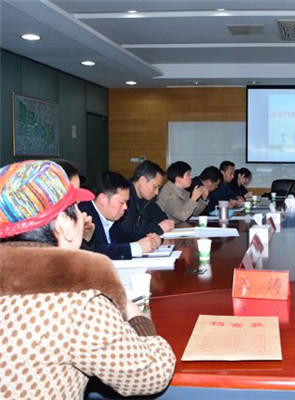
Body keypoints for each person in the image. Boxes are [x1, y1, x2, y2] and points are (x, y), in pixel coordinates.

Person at [0, 160, 175, 399]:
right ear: (64, 224)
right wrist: (136, 315)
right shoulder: (78, 304)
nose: (83, 216)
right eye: (76, 209)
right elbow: (153, 373)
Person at [79, 171, 161, 259]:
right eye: (122, 203)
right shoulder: (84, 216)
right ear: (102, 199)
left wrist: (150, 239)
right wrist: (137, 248)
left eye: (126, 202)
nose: (125, 207)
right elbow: (94, 251)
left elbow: (124, 237)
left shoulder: (111, 217)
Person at [112, 160, 174, 242]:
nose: (156, 192)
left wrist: (147, 229)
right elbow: (127, 233)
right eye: (155, 187)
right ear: (142, 180)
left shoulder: (147, 199)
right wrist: (156, 228)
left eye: (158, 188)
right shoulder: (125, 198)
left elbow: (162, 218)